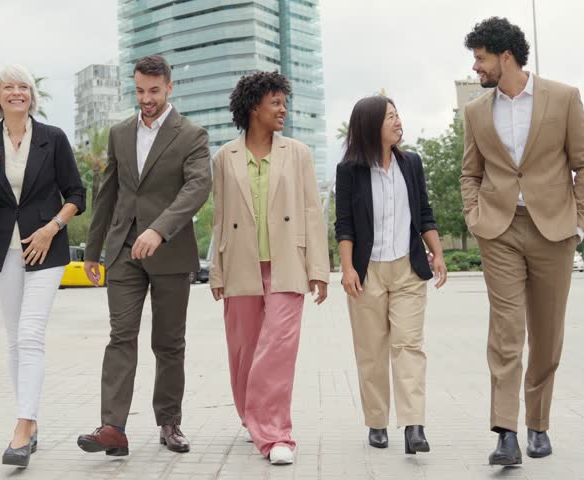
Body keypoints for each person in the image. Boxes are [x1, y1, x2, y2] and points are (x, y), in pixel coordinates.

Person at [461, 17, 584, 465]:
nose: (476, 67)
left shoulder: (563, 98)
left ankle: (538, 424)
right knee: (505, 332)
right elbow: (470, 172)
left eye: (481, 58)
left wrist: (579, 224)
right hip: (498, 230)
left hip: (553, 231)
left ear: (506, 56)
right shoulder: (477, 111)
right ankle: (505, 433)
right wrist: (475, 217)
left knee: (546, 334)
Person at [76, 55, 211, 456]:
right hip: (122, 252)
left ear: (169, 87)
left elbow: (197, 188)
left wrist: (159, 229)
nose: (146, 98)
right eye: (139, 90)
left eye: (153, 91)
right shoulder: (119, 133)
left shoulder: (192, 135)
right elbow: (108, 194)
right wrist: (94, 251)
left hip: (169, 252)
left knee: (168, 343)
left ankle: (169, 423)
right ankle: (112, 428)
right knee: (121, 337)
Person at [0, 64, 86, 468]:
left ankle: (23, 425)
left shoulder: (53, 138)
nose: (17, 92)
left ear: (32, 96)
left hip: (44, 248)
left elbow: (77, 194)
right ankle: (30, 421)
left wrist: (51, 228)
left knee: (30, 333)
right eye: (8, 87)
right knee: (15, 337)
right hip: (0, 251)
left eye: (23, 87)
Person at [209, 71, 329, 465]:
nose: (283, 109)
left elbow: (313, 213)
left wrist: (318, 269)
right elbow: (220, 218)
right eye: (276, 102)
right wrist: (217, 270)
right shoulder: (224, 157)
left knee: (278, 347)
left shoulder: (298, 153)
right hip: (241, 263)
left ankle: (276, 433)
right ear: (253, 107)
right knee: (243, 351)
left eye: (284, 101)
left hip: (287, 264)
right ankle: (252, 415)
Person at [335, 95, 447, 455]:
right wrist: (348, 268)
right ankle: (377, 422)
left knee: (408, 346)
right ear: (370, 126)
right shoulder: (349, 169)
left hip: (407, 270)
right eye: (390, 118)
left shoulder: (411, 164)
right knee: (371, 351)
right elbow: (345, 225)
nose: (399, 123)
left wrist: (438, 253)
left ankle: (414, 426)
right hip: (367, 273)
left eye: (398, 116)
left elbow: (424, 212)